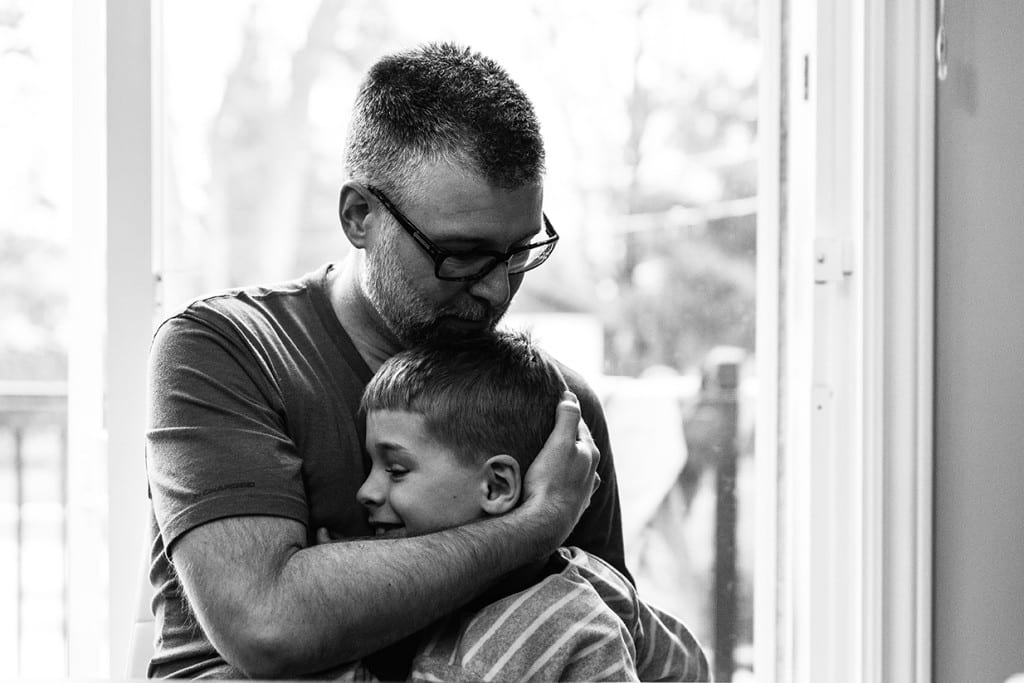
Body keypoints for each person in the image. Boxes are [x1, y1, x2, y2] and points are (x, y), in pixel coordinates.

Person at [146, 42, 631, 679]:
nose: (494, 289)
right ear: (358, 216)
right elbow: (267, 625)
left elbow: (601, 638)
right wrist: (532, 527)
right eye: (460, 254)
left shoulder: (555, 406)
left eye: (519, 252)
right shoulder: (225, 349)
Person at [321, 330, 708, 682]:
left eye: (396, 469)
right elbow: (683, 661)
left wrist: (331, 632)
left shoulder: (571, 633)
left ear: (496, 486)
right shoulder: (578, 579)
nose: (366, 491)